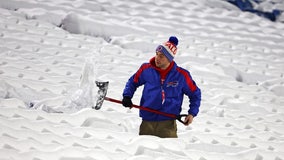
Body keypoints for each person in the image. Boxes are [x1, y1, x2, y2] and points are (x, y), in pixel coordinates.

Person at [122, 36, 201, 138]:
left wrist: (192, 113)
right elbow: (132, 82)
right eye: (157, 54)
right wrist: (127, 96)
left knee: (167, 153)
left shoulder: (181, 76)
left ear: (169, 59)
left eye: (161, 56)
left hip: (168, 124)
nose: (157, 58)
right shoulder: (146, 69)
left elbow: (195, 94)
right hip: (147, 122)